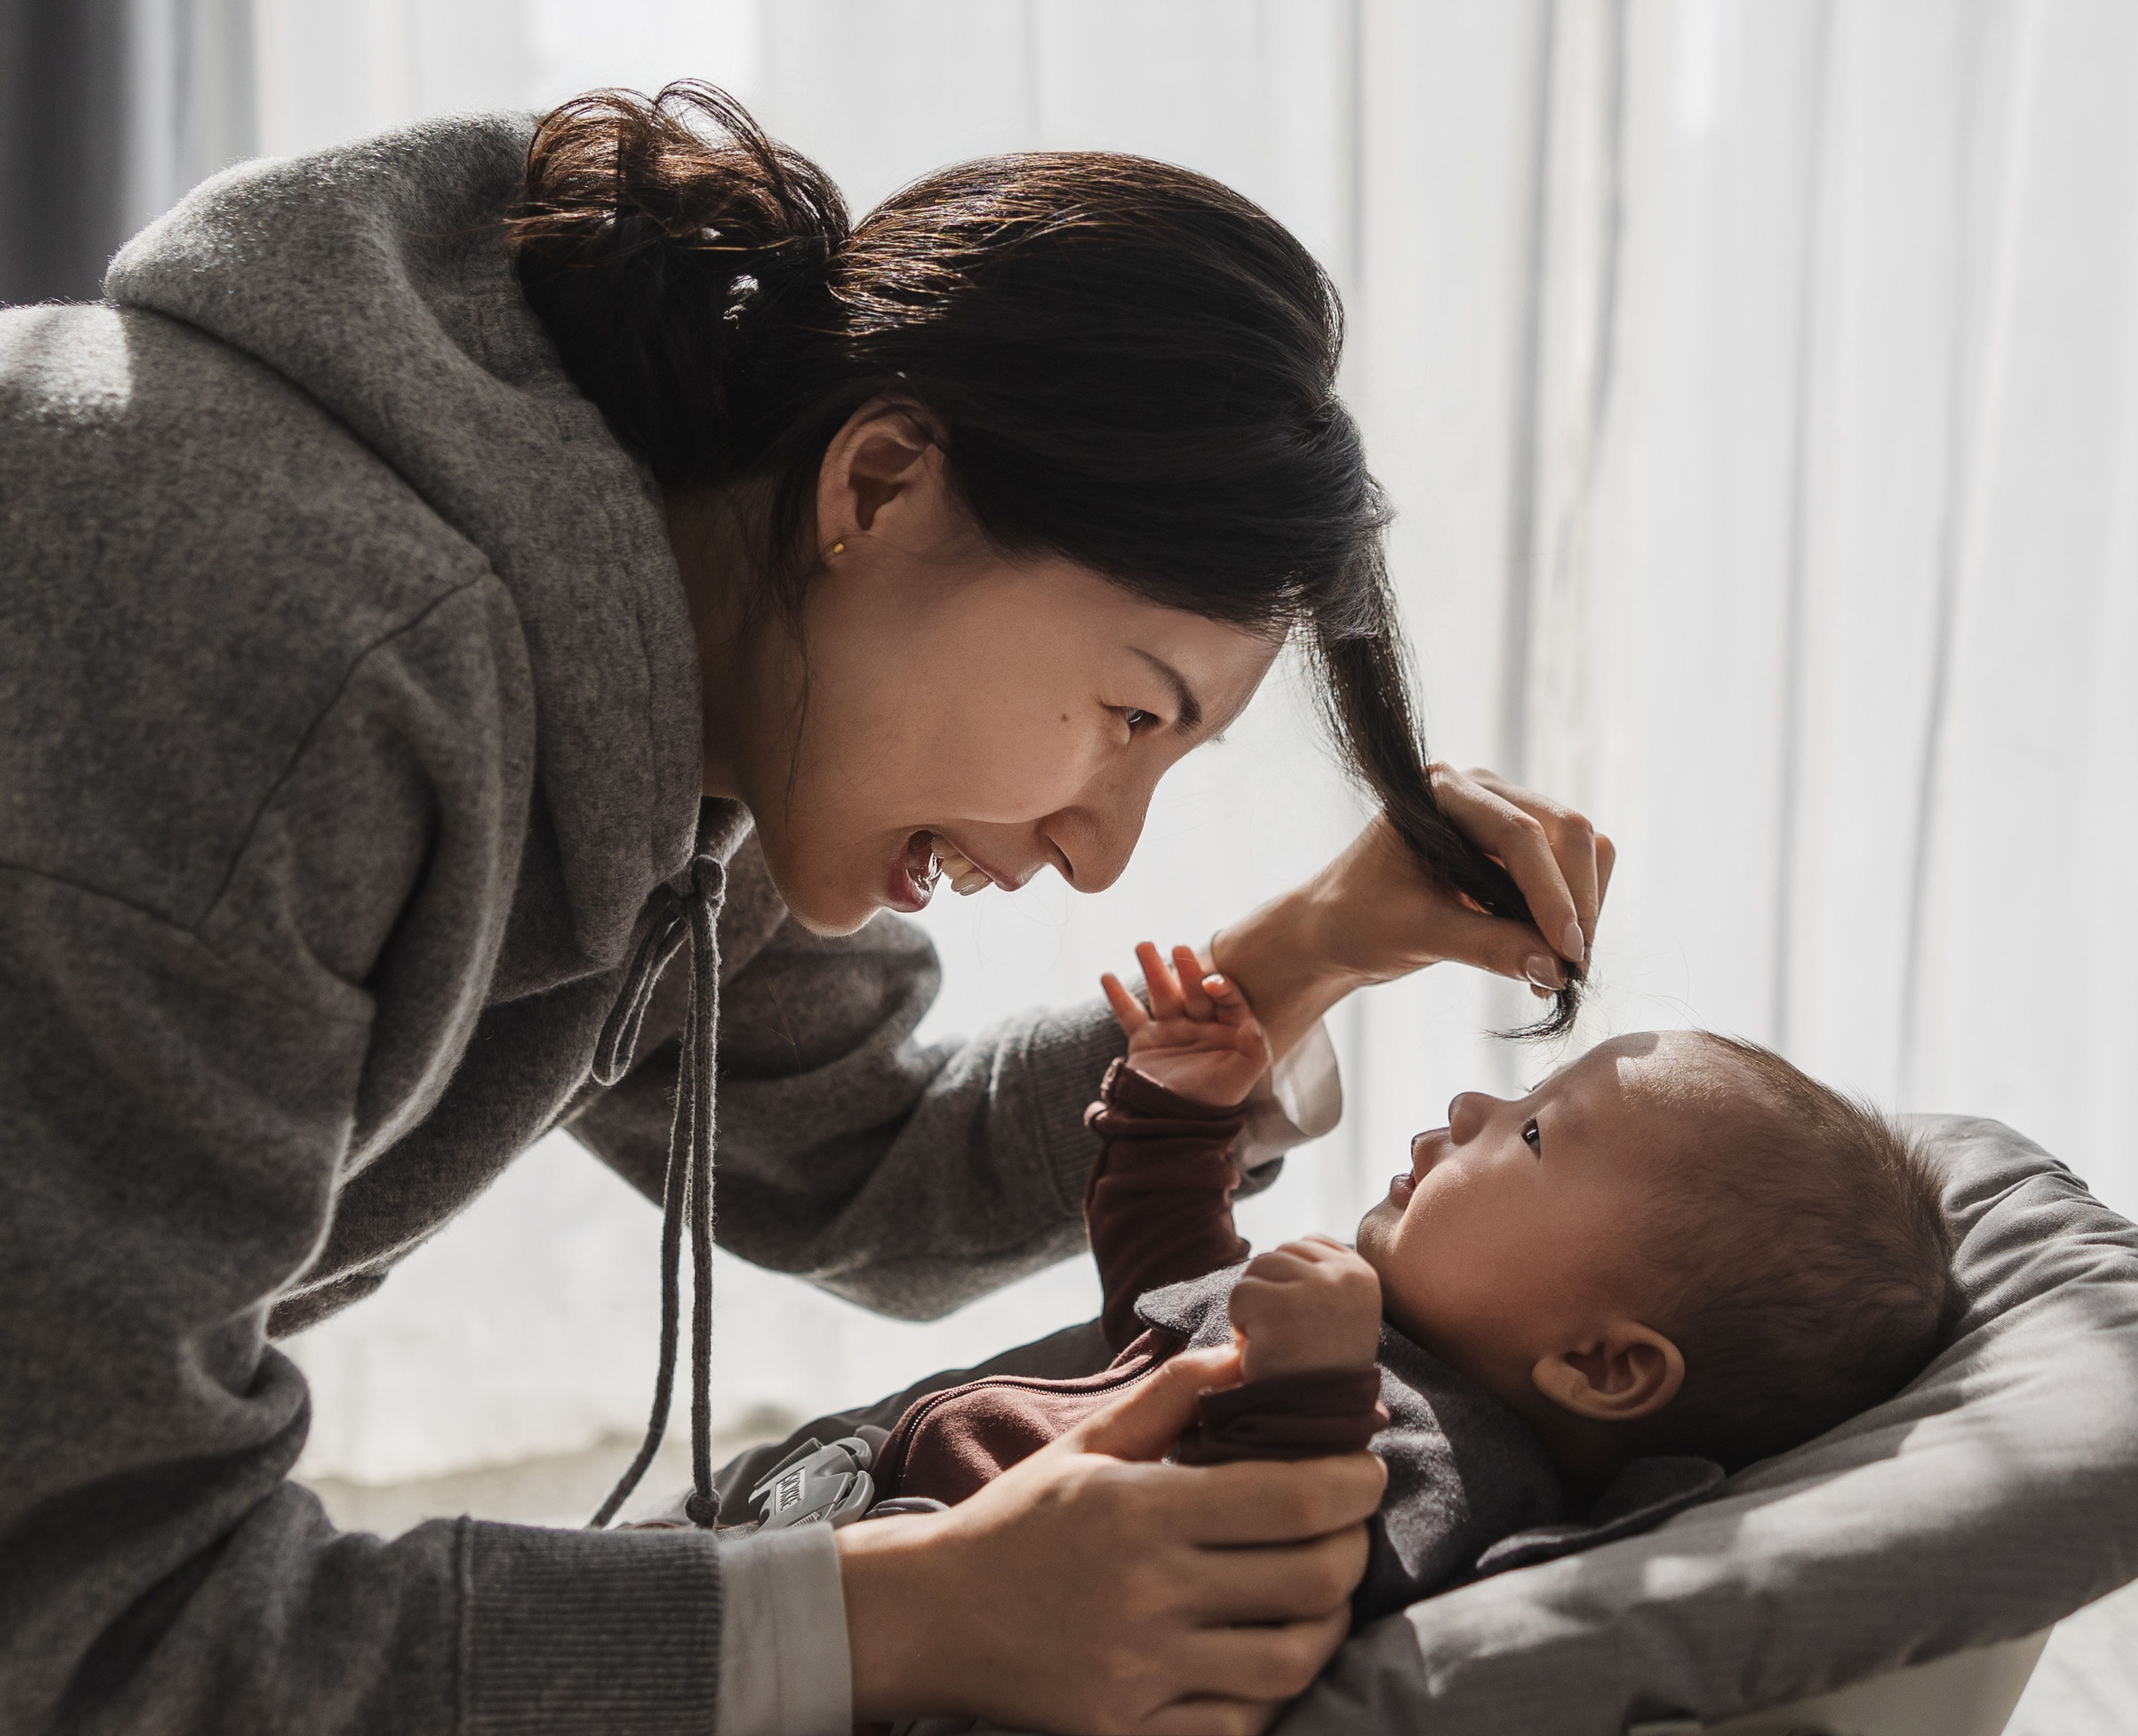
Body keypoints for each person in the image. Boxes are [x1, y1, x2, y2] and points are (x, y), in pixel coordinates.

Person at [0, 82, 1617, 1736]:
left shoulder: (683, 707)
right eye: (1130, 712)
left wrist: (1316, 947)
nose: (1101, 852)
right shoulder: (285, 647)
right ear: (882, 485)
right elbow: (86, 1624)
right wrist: (900, 1609)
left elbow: (871, 1165)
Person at [854, 946, 1956, 1634]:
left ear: (1602, 1362)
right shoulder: (1375, 1343)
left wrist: (1305, 1388)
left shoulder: (1455, 1467)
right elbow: (1171, 1298)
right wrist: (1175, 1123)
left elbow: (1259, 1579)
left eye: (1535, 1132)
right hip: (858, 1555)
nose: (1473, 1103)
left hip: (916, 1642)